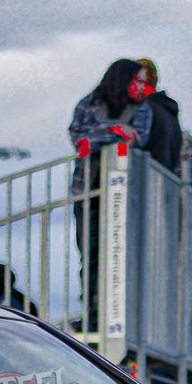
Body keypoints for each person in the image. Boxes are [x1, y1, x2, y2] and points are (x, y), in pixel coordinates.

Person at [67, 59, 151, 329]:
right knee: (89, 253)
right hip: (86, 190)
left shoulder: (142, 109)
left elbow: (138, 137)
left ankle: (113, 316)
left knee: (116, 253)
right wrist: (114, 129)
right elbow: (77, 137)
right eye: (137, 80)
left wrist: (97, 136)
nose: (141, 86)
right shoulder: (89, 102)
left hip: (122, 194)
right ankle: (91, 311)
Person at [132, 58, 185, 175]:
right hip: (165, 185)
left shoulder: (143, 107)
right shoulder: (170, 114)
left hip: (142, 182)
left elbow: (132, 143)